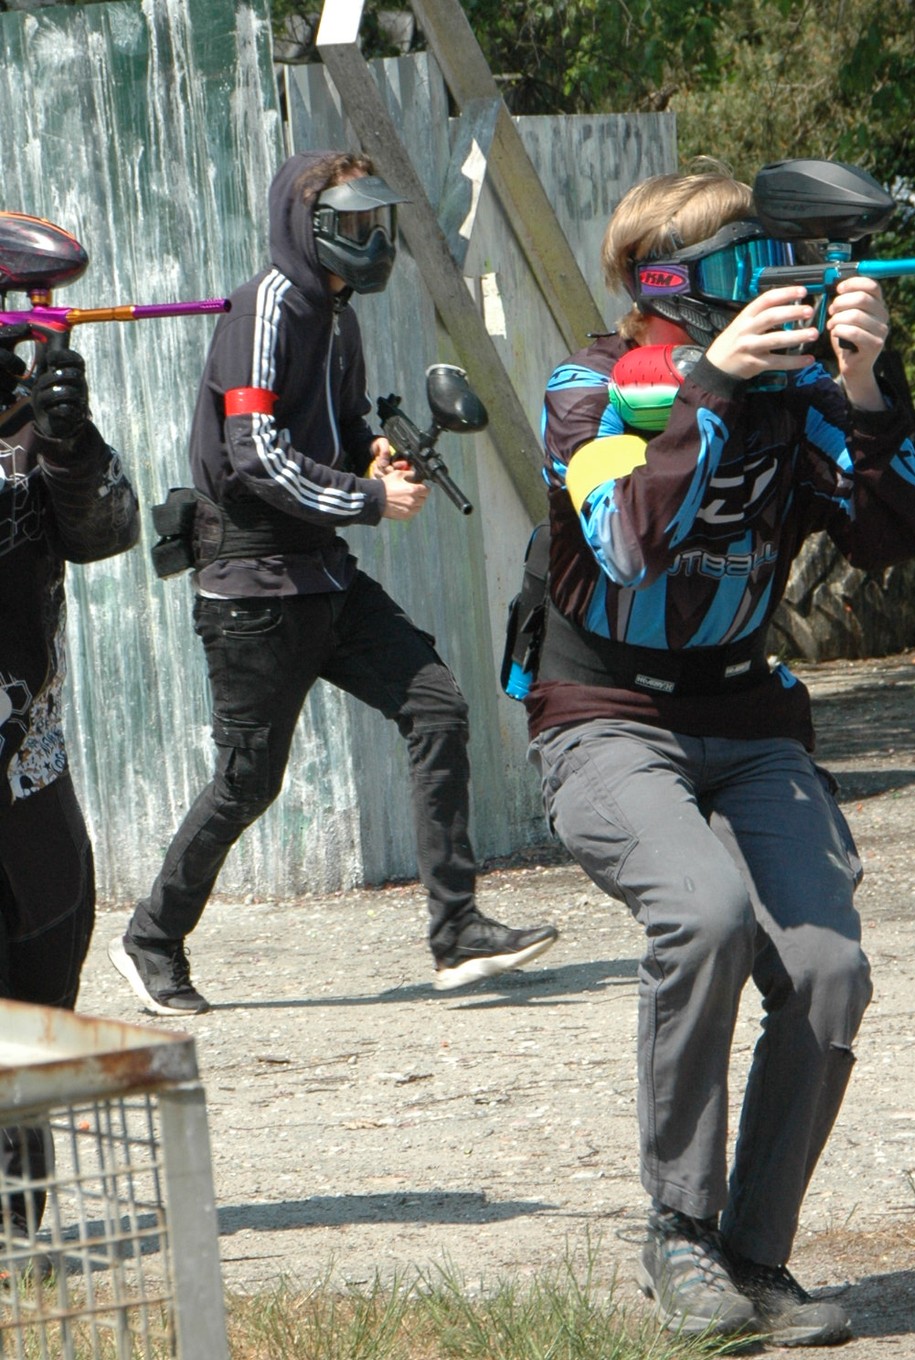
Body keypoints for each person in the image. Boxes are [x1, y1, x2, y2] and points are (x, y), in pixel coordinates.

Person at [527, 165, 915, 1345]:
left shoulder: (797, 397)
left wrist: (863, 385)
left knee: (826, 969)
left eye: (779, 262)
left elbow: (895, 532)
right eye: (740, 266)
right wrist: (708, 388)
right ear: (661, 280)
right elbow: (625, 545)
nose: (772, 287)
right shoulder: (590, 390)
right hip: (604, 714)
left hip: (748, 721)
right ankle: (679, 1231)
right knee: (702, 913)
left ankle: (753, 1258)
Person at [109, 149, 557, 1017]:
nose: (370, 240)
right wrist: (369, 497)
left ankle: (457, 929)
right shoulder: (265, 311)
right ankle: (152, 939)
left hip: (321, 574)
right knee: (248, 781)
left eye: (374, 223)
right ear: (306, 228)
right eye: (350, 224)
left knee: (436, 707)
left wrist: (373, 453)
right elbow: (256, 455)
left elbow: (341, 426)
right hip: (252, 585)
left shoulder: (339, 319)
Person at [1, 314, 140, 1231]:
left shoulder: (26, 423)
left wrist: (70, 441)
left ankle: (17, 1212)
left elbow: (109, 530)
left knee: (46, 971)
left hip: (28, 761)